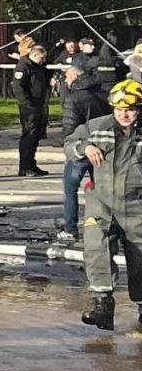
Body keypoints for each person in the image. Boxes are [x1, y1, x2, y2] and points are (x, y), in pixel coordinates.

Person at [74, 80, 142, 331]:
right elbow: (71, 142)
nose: (124, 114)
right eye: (119, 109)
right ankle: (103, 305)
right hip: (101, 201)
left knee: (139, 256)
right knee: (96, 247)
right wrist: (85, 147)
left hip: (137, 204)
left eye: (131, 109)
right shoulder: (97, 127)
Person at [15, 42, 52, 177]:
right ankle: (25, 166)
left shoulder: (37, 66)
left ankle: (32, 164)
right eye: (41, 58)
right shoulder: (24, 66)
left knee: (36, 135)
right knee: (29, 136)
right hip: (28, 107)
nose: (43, 61)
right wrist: (27, 104)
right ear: (34, 55)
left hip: (38, 104)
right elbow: (18, 87)